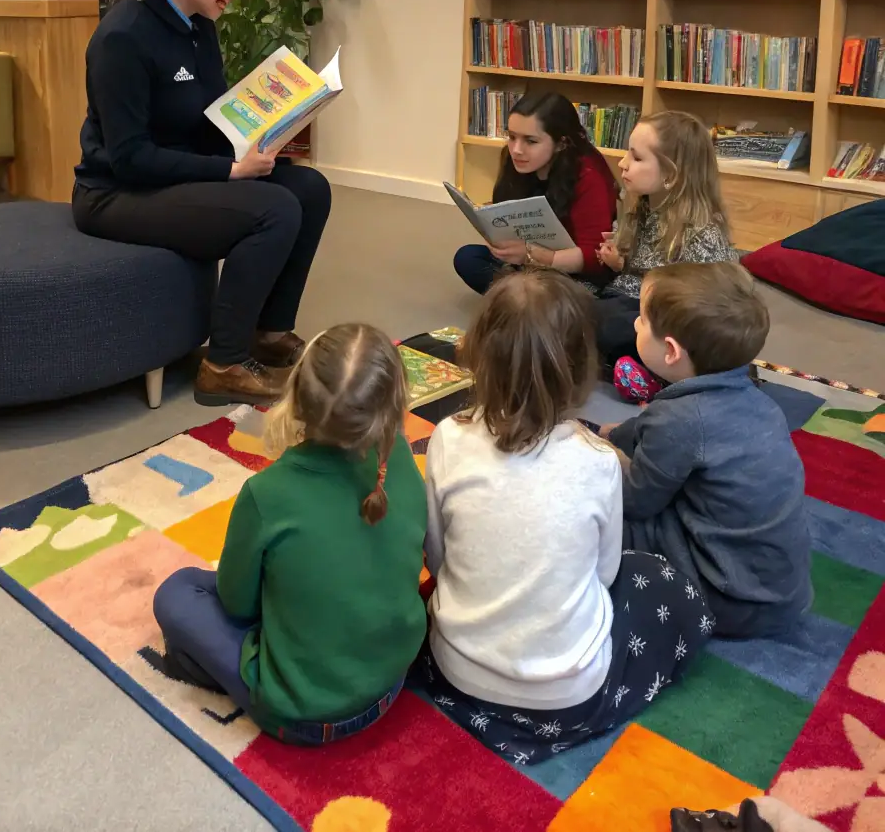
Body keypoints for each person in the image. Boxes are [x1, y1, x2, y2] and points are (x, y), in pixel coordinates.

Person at [419, 270, 707, 765]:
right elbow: (606, 573)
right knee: (662, 582)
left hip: (456, 671)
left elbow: (438, 555)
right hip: (571, 699)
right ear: (581, 370)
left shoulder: (447, 435)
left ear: (478, 356)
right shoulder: (598, 461)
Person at [72, 0, 332, 404]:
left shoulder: (200, 27)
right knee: (274, 210)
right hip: (117, 191)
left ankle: (271, 332)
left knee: (309, 188)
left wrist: (265, 131)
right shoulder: (123, 38)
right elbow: (129, 158)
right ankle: (224, 364)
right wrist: (232, 171)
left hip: (178, 175)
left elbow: (210, 120)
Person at [152, 324, 428, 744]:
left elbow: (238, 606)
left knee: (179, 591)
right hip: (391, 683)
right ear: (392, 404)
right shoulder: (403, 456)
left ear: (296, 397)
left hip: (302, 714)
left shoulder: (267, 493)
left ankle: (232, 675)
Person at [603, 262, 812, 639]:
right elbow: (649, 428)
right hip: (783, 595)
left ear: (670, 351)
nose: (634, 324)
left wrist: (602, 453)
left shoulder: (678, 419)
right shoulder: (756, 401)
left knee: (602, 508)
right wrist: (615, 434)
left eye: (642, 319)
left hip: (727, 598)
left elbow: (634, 501)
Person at [592, 111, 733, 386]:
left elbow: (706, 309)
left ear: (670, 173)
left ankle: (654, 373)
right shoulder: (644, 204)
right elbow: (640, 268)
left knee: (602, 324)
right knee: (569, 306)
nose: (622, 164)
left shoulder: (702, 232)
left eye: (637, 157)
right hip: (630, 300)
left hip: (661, 318)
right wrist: (619, 262)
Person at [453, 91, 618, 295]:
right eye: (512, 137)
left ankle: (524, 302)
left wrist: (535, 256)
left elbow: (595, 257)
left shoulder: (588, 175)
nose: (516, 150)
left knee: (571, 297)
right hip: (527, 266)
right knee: (468, 258)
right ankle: (526, 302)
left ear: (561, 143)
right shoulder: (515, 159)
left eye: (531, 141)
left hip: (572, 274)